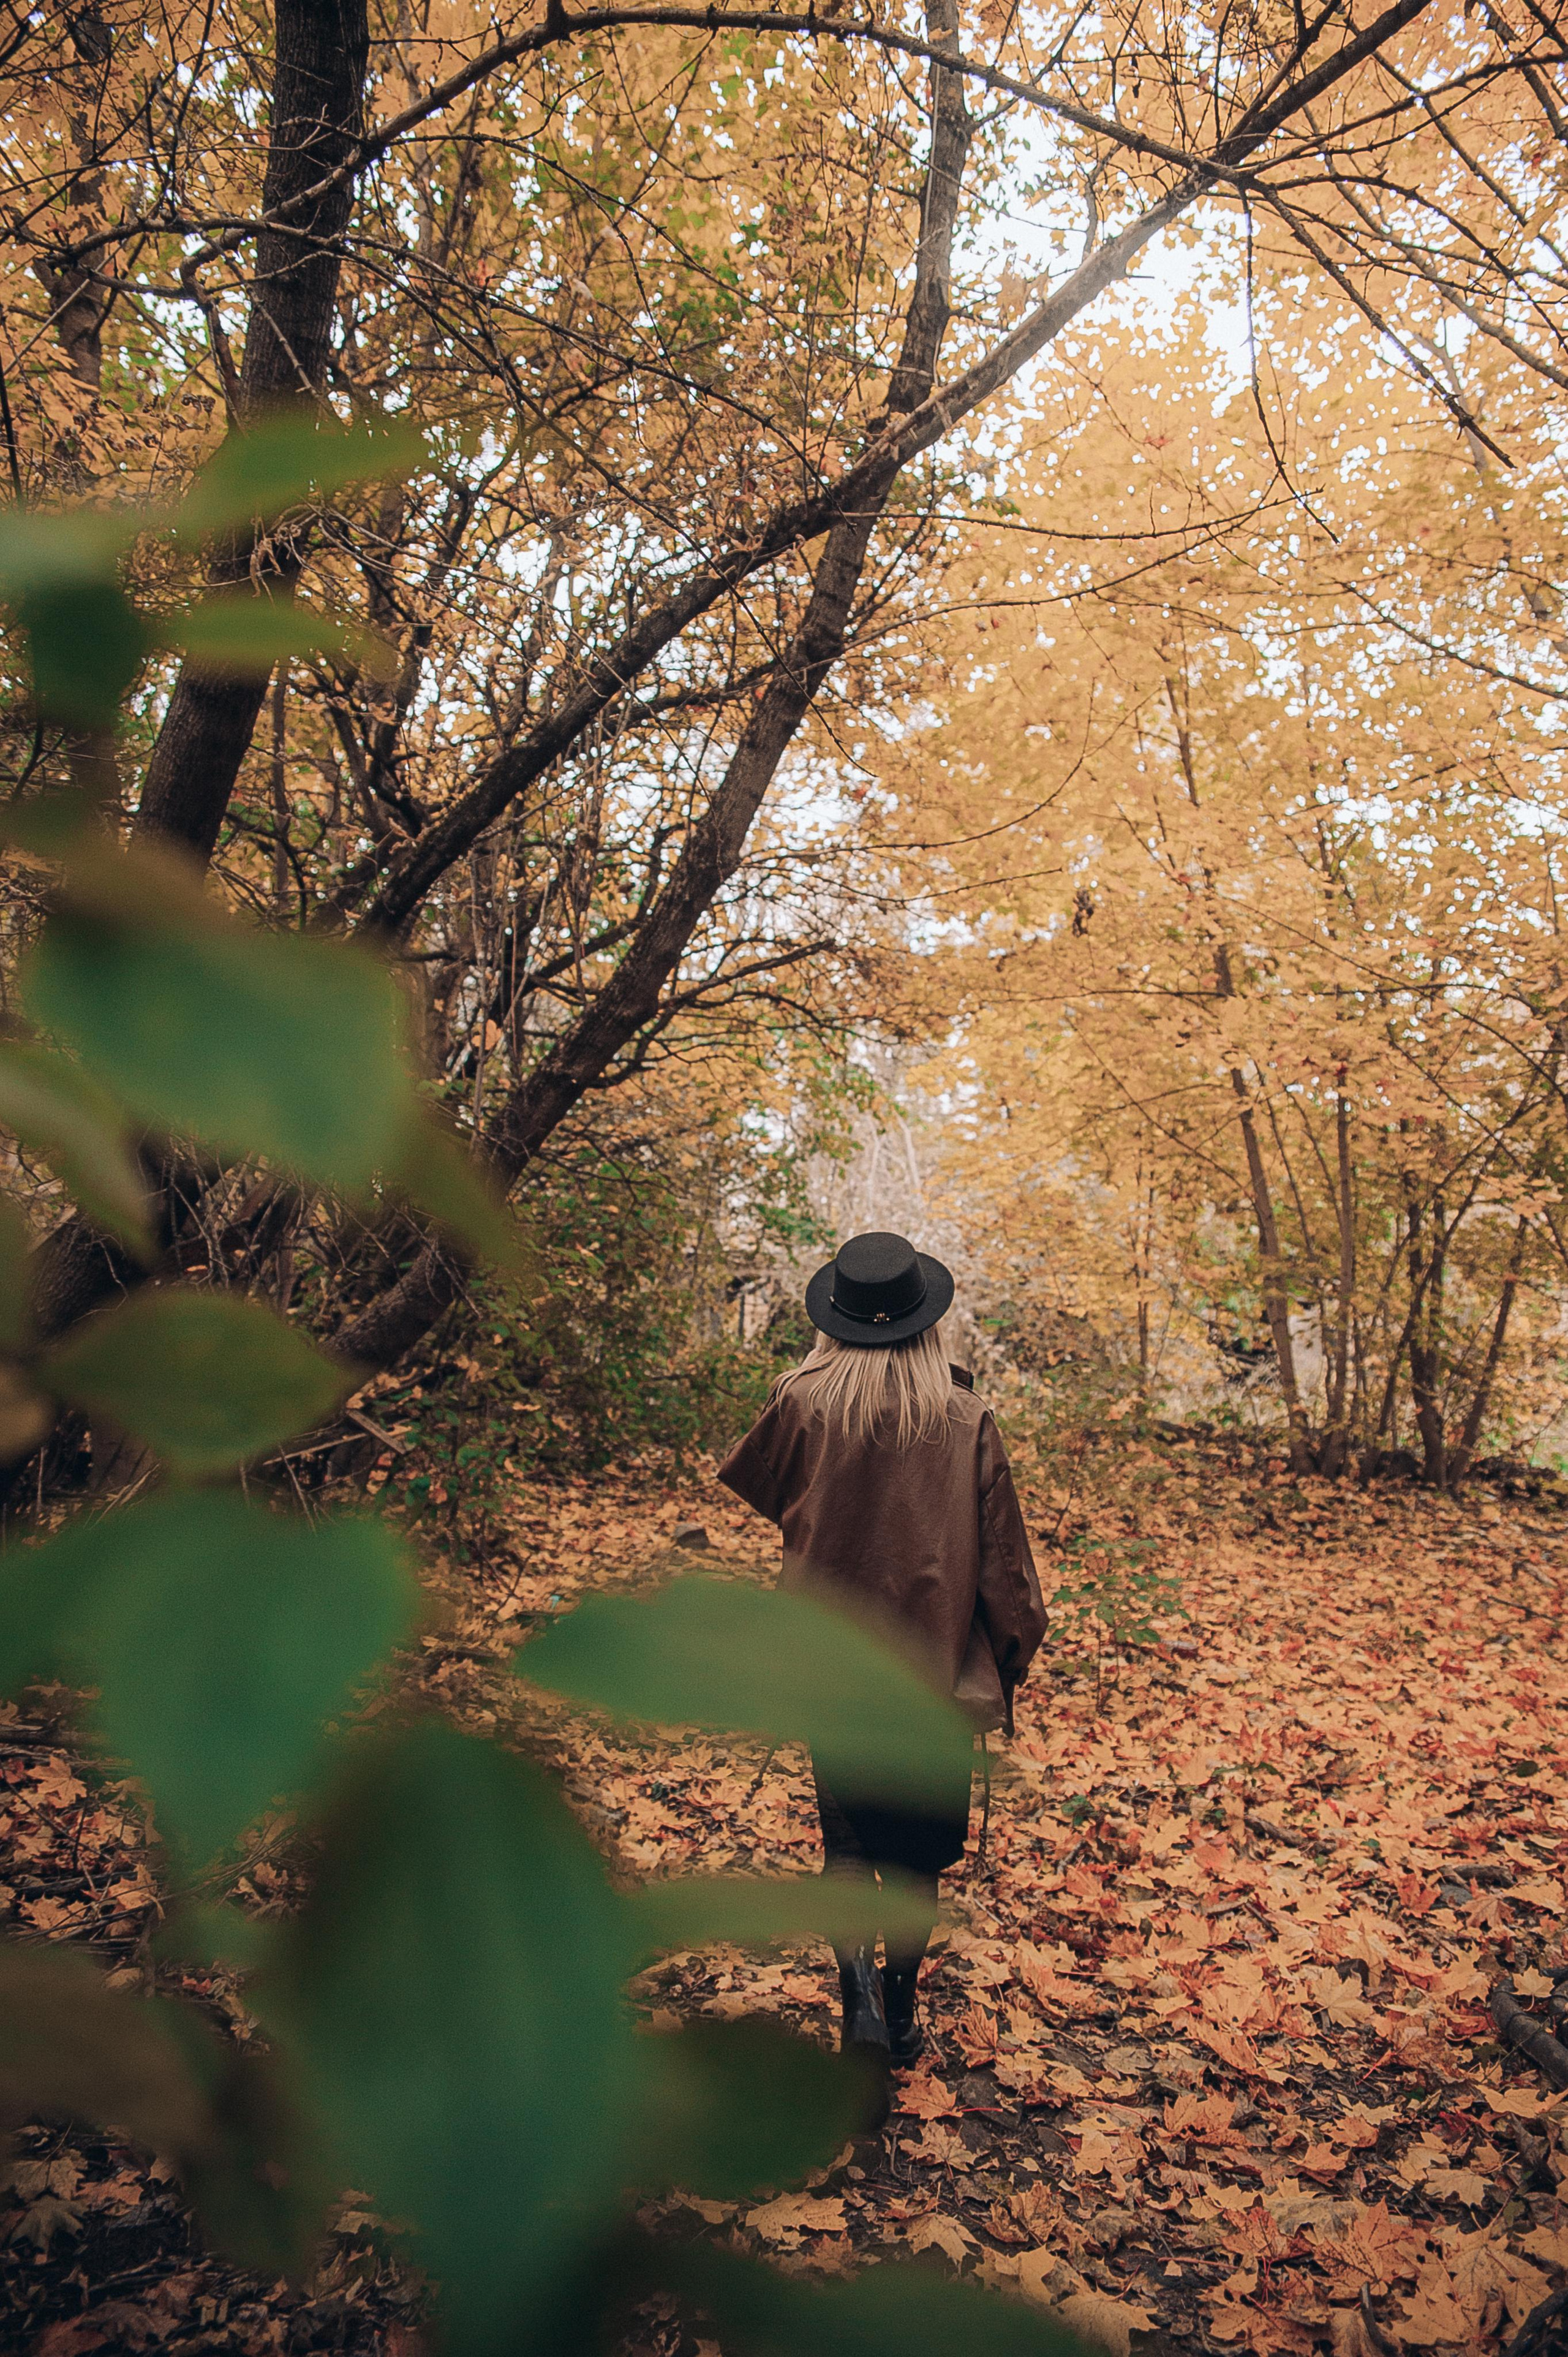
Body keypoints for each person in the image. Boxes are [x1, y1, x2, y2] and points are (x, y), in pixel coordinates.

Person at [717, 1230, 1046, 2073]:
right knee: (914, 1860)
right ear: (926, 1320)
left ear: (837, 1317)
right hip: (930, 1678)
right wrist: (1006, 1661)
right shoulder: (966, 1418)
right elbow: (1009, 1574)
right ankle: (898, 2016)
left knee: (848, 1845)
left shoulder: (799, 1402)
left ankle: (857, 1998)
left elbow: (774, 1496)